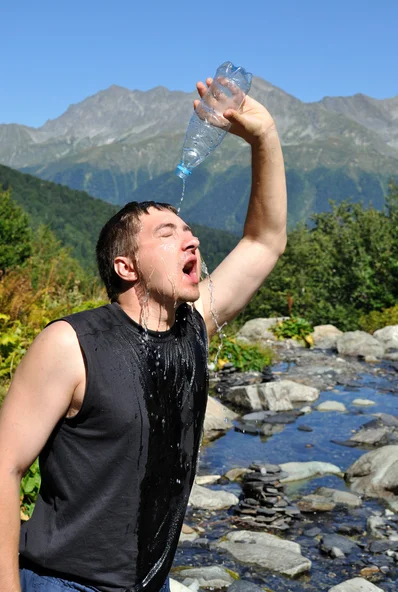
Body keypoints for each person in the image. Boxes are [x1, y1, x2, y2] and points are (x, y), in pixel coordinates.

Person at [0, 76, 287, 592]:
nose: (191, 238)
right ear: (126, 267)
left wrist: (264, 135)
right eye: (167, 232)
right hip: (64, 583)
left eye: (190, 230)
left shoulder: (192, 328)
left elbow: (265, 240)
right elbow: (3, 466)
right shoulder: (71, 343)